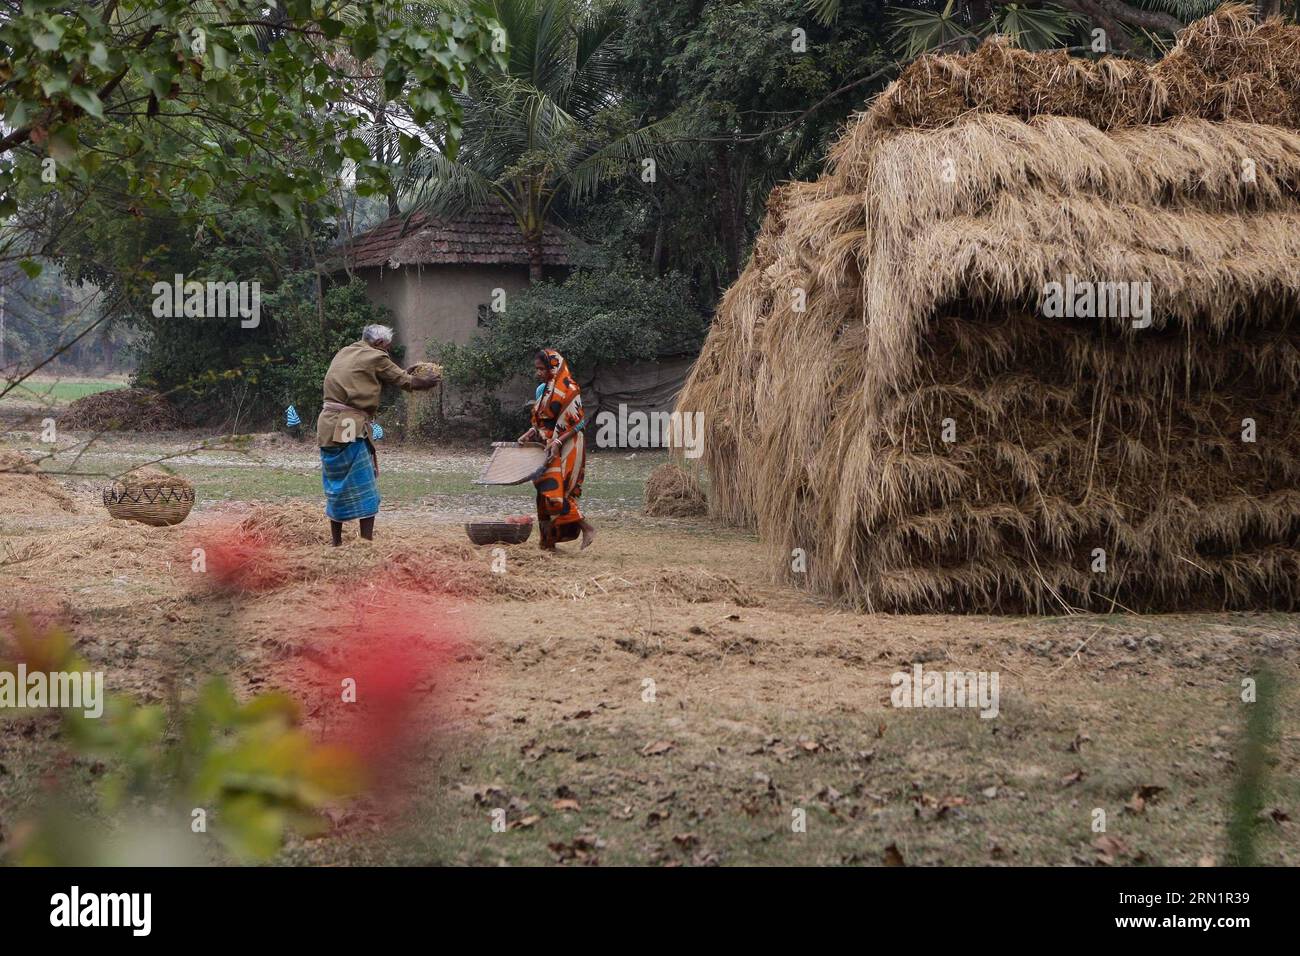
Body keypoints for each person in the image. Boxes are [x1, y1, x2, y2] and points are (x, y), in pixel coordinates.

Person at [316, 324, 439, 545]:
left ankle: (336, 543)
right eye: (387, 347)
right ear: (380, 343)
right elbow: (406, 382)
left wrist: (402, 373)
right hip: (348, 426)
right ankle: (366, 543)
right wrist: (429, 381)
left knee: (336, 485)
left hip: (326, 424)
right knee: (365, 486)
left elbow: (378, 375)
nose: (387, 352)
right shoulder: (376, 356)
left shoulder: (345, 351)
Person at [517, 348, 595, 550]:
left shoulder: (570, 388)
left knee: (555, 492)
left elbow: (578, 422)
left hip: (567, 445)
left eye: (542, 369)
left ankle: (586, 527)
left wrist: (558, 442)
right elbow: (540, 422)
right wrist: (530, 433)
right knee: (543, 494)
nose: (539, 373)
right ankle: (547, 543)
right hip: (545, 446)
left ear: (553, 367)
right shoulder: (542, 391)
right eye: (537, 369)